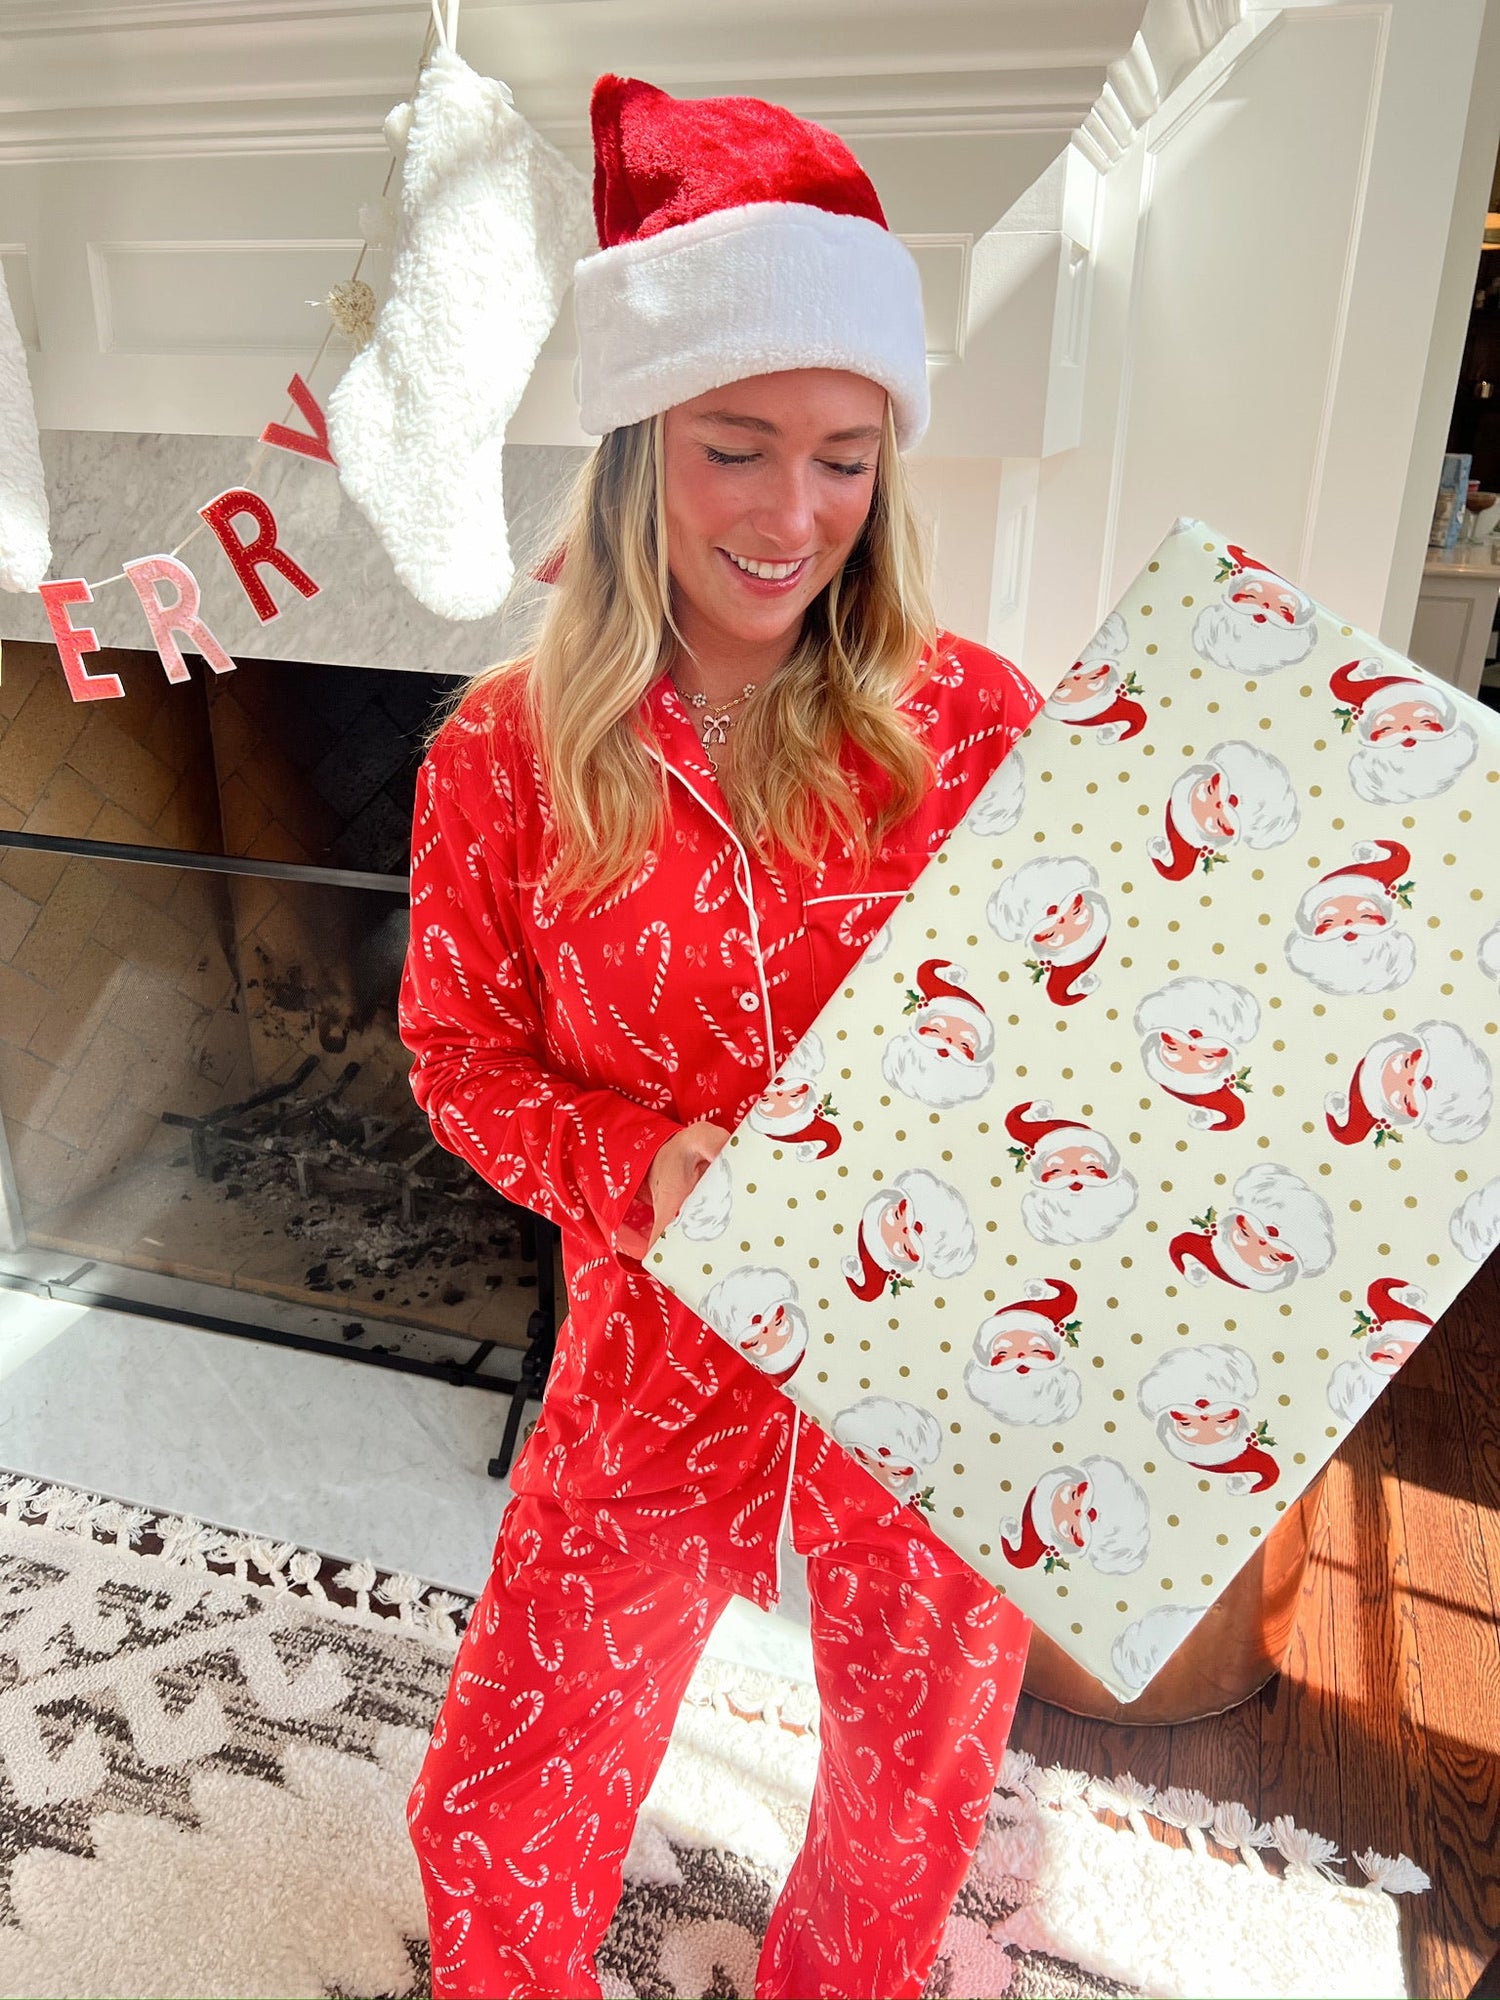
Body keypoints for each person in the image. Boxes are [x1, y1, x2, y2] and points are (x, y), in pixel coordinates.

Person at [398, 71, 1041, 2000]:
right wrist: (635, 1163)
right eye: (736, 446)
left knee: (923, 1763)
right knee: (521, 1750)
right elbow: (457, 1061)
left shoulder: (984, 729)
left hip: (919, 1351)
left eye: (845, 455)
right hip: (652, 1345)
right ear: (634, 444)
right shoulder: (499, 758)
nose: (793, 514)